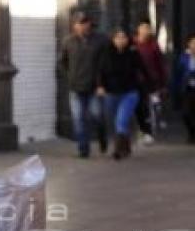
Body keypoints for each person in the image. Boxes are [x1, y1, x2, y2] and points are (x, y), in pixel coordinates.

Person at [58, 11, 108, 158]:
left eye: (86, 23)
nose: (84, 26)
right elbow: (62, 62)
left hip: (94, 87)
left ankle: (102, 136)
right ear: (75, 26)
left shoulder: (100, 41)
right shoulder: (68, 42)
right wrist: (69, 76)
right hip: (76, 87)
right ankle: (83, 148)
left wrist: (101, 84)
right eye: (80, 23)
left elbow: (103, 65)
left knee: (97, 115)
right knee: (78, 118)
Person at [97, 28, 151, 160]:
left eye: (124, 38)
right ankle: (126, 146)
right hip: (110, 92)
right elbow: (99, 71)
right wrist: (100, 86)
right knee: (113, 121)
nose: (121, 41)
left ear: (128, 40)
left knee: (121, 120)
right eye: (118, 38)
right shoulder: (106, 53)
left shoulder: (133, 53)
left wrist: (149, 86)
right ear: (113, 39)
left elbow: (143, 70)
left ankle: (118, 150)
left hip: (129, 92)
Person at [133, 20, 168, 142]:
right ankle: (142, 129)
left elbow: (160, 64)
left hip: (151, 80)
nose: (145, 31)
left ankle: (149, 130)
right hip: (135, 81)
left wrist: (162, 82)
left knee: (150, 105)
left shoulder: (154, 46)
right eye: (143, 28)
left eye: (147, 28)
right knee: (139, 106)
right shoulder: (133, 45)